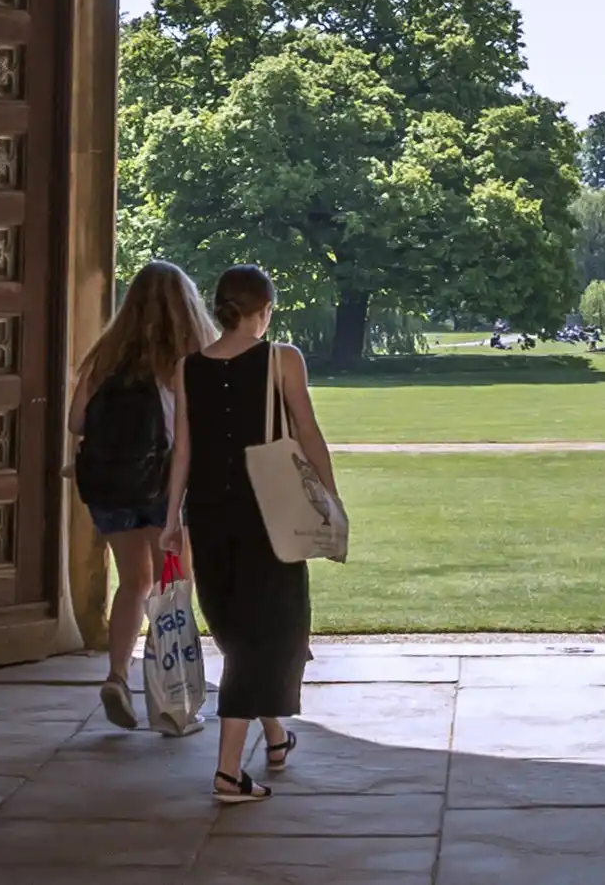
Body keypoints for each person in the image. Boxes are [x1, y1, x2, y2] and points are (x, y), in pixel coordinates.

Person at [166, 264, 336, 804]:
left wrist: (172, 518)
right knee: (268, 634)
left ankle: (277, 737)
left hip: (210, 512)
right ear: (262, 309)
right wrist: (329, 500)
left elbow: (183, 450)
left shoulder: (186, 367)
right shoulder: (282, 360)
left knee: (241, 632)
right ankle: (227, 772)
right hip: (268, 511)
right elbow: (307, 431)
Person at [69, 260, 217, 730]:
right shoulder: (191, 359)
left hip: (110, 487)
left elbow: (77, 423)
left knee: (133, 582)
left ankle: (117, 675)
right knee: (173, 590)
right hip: (165, 489)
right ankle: (171, 698)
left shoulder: (105, 357)